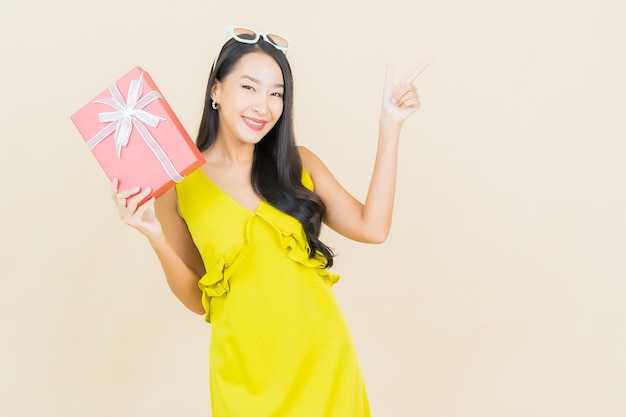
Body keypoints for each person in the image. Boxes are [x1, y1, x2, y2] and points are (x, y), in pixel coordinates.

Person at [111, 26, 431, 417]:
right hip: (244, 377)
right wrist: (154, 236)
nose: (263, 106)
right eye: (249, 87)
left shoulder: (299, 163)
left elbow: (373, 227)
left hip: (324, 364)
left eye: (276, 93)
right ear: (216, 90)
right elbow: (198, 300)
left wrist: (390, 125)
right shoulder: (178, 184)